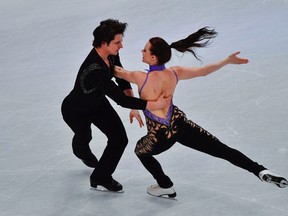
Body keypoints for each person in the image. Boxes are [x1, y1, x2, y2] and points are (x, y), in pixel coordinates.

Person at [114, 27, 288, 198]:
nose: (141, 51)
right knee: (223, 150)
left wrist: (110, 48)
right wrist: (227, 61)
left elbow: (115, 71)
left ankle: (165, 185)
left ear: (153, 57)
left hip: (158, 136)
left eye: (145, 50)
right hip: (180, 124)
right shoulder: (175, 73)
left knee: (140, 151)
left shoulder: (140, 77)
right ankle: (260, 170)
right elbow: (204, 72)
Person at [61, 19, 170, 192]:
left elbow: (121, 79)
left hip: (97, 104)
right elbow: (121, 100)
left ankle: (100, 176)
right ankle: (80, 151)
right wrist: (153, 104)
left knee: (119, 139)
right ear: (104, 43)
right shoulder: (94, 69)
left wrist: (135, 107)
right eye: (117, 42)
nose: (122, 46)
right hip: (76, 111)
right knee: (84, 138)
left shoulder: (111, 54)